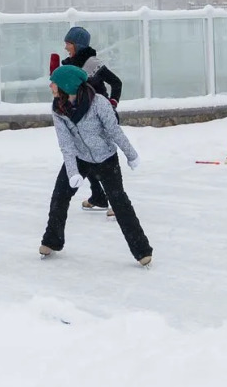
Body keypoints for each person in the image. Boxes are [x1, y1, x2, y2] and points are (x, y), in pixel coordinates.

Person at [40, 64, 152, 267]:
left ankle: (142, 249)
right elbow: (65, 144)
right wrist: (73, 171)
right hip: (80, 158)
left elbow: (114, 131)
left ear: (66, 85)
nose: (50, 86)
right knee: (60, 196)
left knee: (119, 202)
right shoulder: (58, 108)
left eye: (54, 82)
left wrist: (131, 155)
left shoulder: (99, 103)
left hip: (106, 159)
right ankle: (52, 240)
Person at [50, 26, 124, 215]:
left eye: (69, 43)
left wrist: (112, 104)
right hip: (81, 120)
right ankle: (98, 196)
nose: (66, 47)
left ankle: (117, 203)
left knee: (106, 160)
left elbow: (116, 82)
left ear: (78, 44)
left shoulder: (92, 63)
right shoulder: (69, 64)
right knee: (85, 155)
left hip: (100, 119)